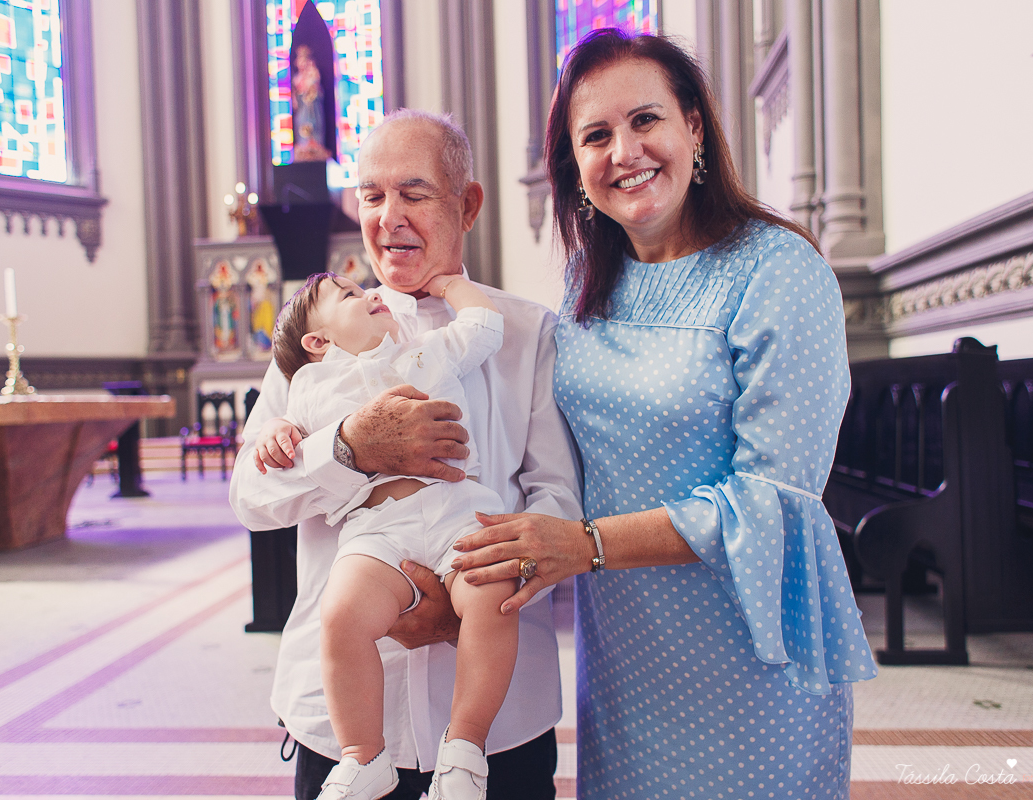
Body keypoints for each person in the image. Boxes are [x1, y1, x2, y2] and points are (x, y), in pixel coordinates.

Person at [449, 29, 878, 799]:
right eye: (596, 135)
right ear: (575, 167)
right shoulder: (590, 279)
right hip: (626, 654)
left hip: (748, 653)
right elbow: (547, 444)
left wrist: (584, 544)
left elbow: (772, 501)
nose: (625, 151)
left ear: (694, 128)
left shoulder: (780, 269)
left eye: (645, 120)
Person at [230, 109, 582, 800]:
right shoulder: (317, 343)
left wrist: (467, 597)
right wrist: (349, 450)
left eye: (414, 193)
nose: (389, 217)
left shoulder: (526, 333)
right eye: (372, 195)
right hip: (340, 724)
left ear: (467, 203)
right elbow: (251, 497)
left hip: (500, 722)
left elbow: (558, 499)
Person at [257, 270, 519, 800]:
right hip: (378, 530)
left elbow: (484, 326)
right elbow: (263, 471)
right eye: (349, 296)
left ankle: (464, 748)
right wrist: (275, 433)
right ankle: (362, 755)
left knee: (493, 593)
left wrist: (450, 287)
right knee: (342, 612)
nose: (371, 294)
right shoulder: (308, 385)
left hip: (456, 513)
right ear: (318, 342)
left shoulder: (425, 350)